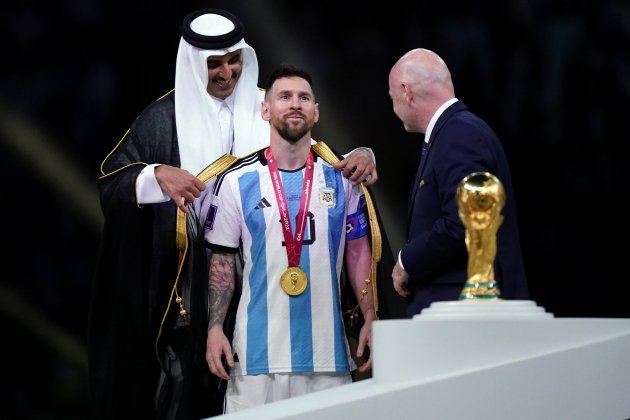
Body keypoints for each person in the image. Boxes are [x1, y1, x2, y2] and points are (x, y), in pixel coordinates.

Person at [87, 8, 378, 420]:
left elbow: (315, 164)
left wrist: (363, 154)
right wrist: (156, 175)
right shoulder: (161, 122)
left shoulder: (269, 105)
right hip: (190, 293)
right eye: (214, 64)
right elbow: (111, 183)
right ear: (193, 63)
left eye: (233, 60)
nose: (227, 73)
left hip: (267, 292)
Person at [204, 63, 376, 413]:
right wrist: (214, 328)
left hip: (328, 358)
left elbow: (358, 253)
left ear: (316, 112)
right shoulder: (236, 182)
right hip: (252, 360)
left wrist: (370, 313)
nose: (295, 104)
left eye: (304, 98)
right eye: (284, 97)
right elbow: (221, 261)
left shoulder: (343, 180)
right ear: (266, 110)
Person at [387, 48, 529, 317]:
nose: (393, 107)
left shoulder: (459, 135)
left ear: (406, 91)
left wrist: (407, 260)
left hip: (465, 313)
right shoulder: (455, 133)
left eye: (392, 97)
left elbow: (465, 221)